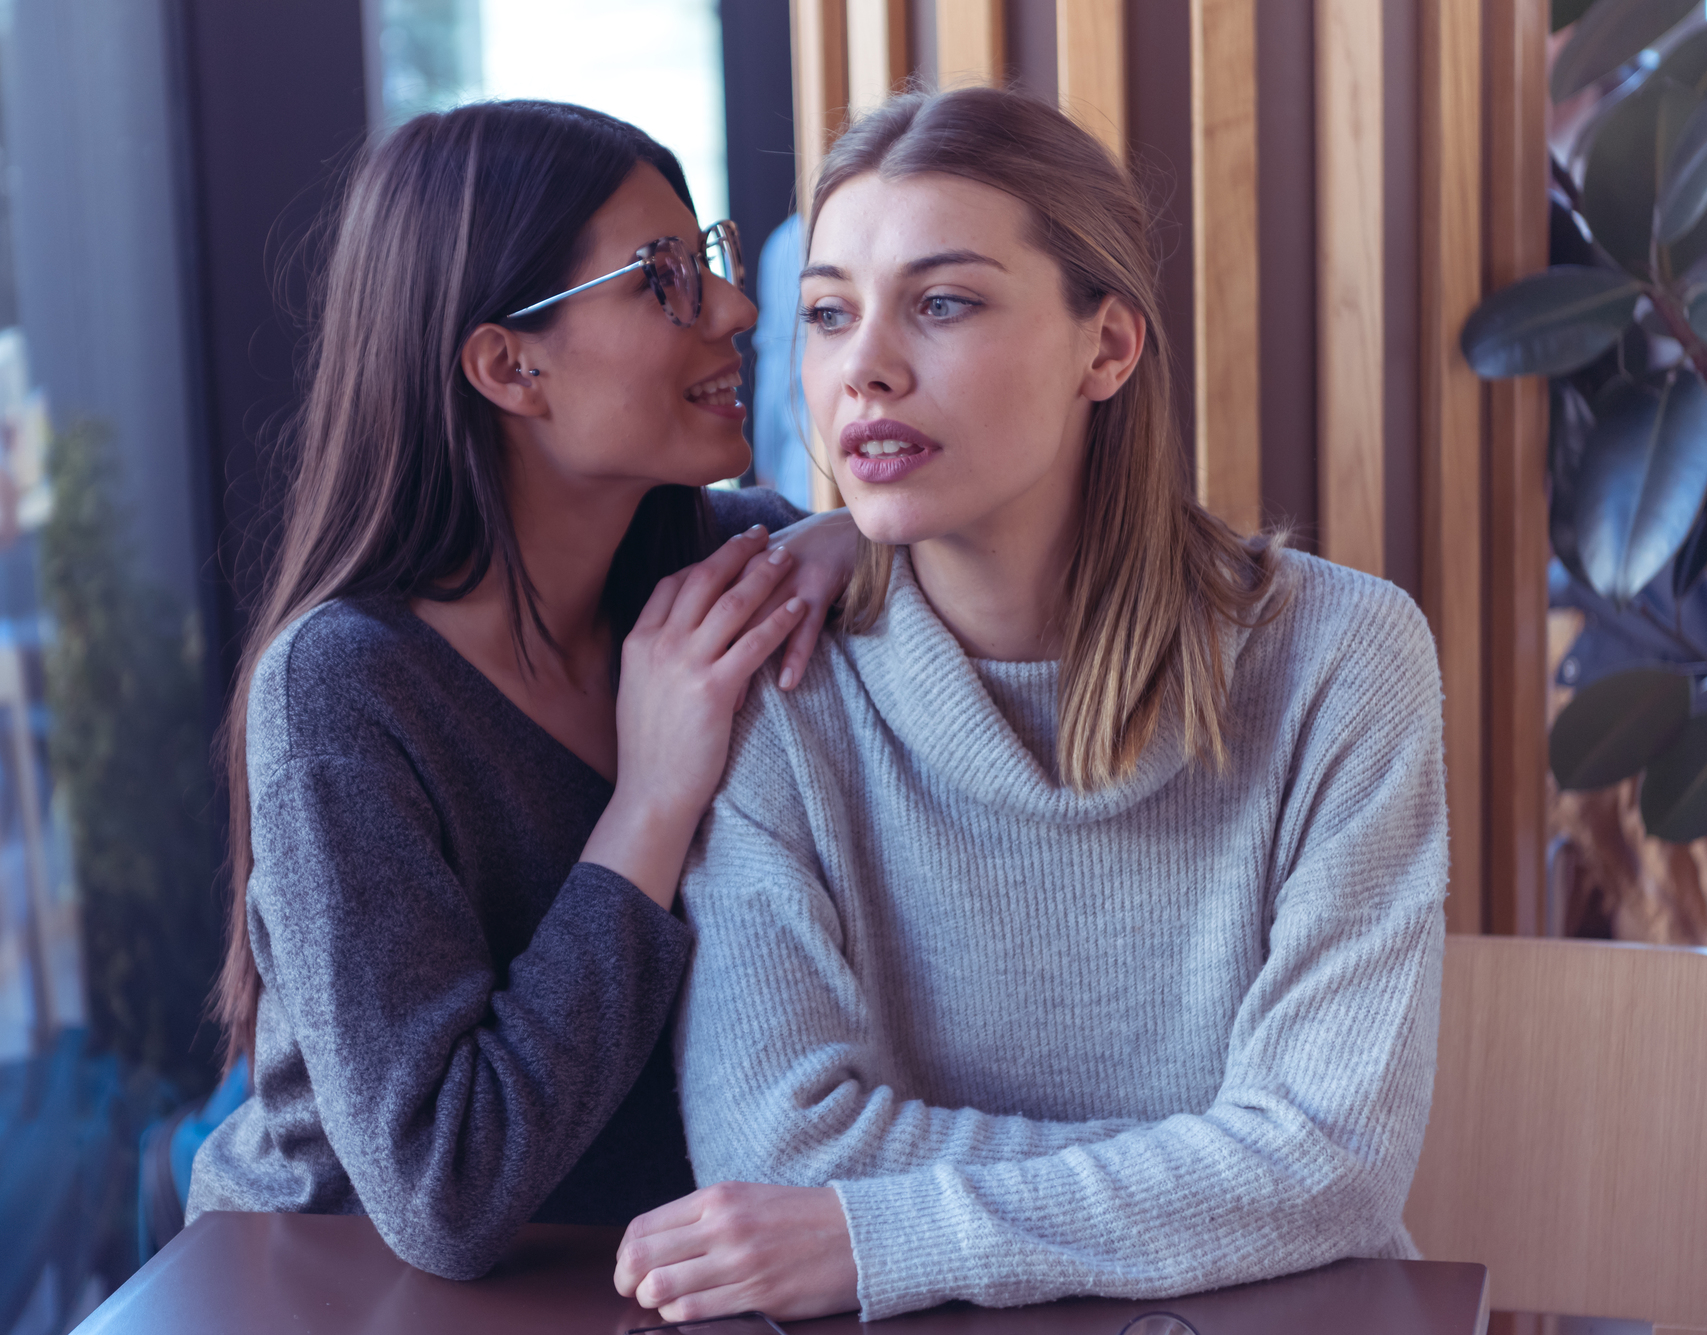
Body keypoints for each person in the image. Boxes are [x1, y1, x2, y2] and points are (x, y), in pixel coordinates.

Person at [614, 87, 1449, 1322]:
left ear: (1105, 348)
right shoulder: (776, 676)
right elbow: (768, 1157)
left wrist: (876, 1230)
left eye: (941, 303)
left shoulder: (1340, 660)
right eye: (828, 314)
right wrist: (1206, 1165)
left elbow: (1327, 1159)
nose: (866, 369)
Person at [185, 100, 856, 1279]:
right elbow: (447, 1192)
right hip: (331, 1289)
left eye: (706, 259)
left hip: (639, 1277)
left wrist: (876, 539)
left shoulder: (730, 571)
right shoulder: (345, 688)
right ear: (507, 365)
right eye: (661, 279)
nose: (739, 311)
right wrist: (648, 801)